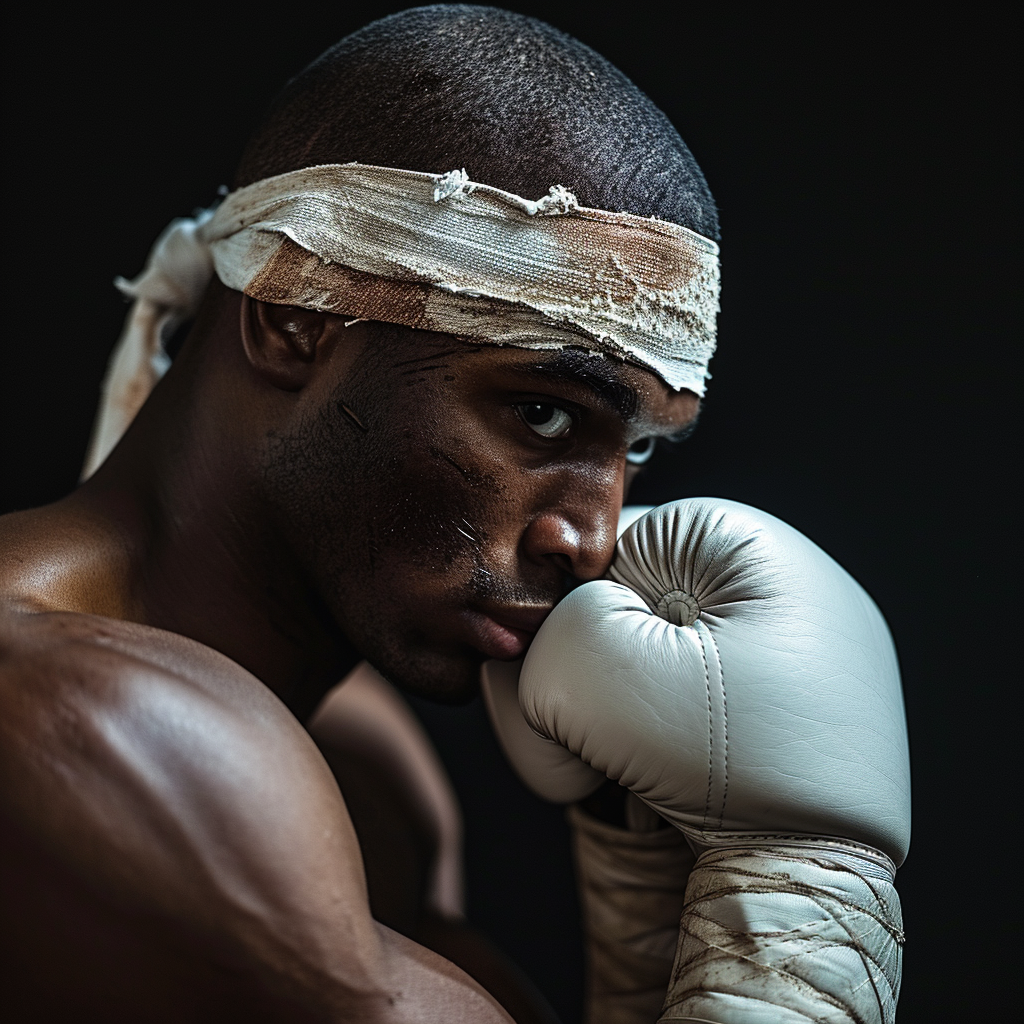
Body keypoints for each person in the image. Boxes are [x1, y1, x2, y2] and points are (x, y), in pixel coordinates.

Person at [0, 6, 909, 1023]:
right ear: (296, 318)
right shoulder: (101, 731)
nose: (593, 540)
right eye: (541, 412)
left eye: (637, 448)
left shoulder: (369, 764)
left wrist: (654, 879)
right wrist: (796, 885)